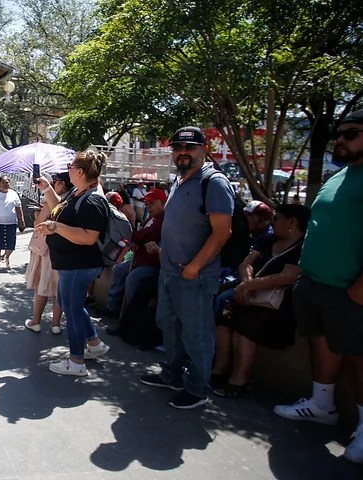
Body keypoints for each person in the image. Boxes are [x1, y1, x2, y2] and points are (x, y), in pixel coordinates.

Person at [272, 109, 363, 463]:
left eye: (350, 133)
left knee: (358, 358)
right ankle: (322, 405)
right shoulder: (338, 176)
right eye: (339, 134)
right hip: (315, 285)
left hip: (349, 290)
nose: (340, 139)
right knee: (321, 343)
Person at [139, 126, 234, 410]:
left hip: (195, 275)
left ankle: (198, 388)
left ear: (203, 150)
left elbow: (222, 232)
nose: (182, 152)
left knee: (196, 334)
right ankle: (172, 374)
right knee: (169, 325)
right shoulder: (180, 181)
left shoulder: (214, 182)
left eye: (189, 147)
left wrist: (194, 266)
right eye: (177, 147)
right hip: (170, 272)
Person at [213, 204, 309, 398]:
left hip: (277, 303)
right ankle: (219, 369)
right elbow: (246, 263)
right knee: (225, 314)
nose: (273, 222)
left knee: (244, 326)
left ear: (292, 222)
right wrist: (247, 283)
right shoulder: (268, 240)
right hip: (250, 294)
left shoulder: (303, 248)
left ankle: (239, 380)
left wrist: (250, 286)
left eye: (277, 218)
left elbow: (287, 277)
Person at [35, 150, 112, 377]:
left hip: (79, 265)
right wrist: (47, 189)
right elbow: (59, 208)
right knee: (74, 307)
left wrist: (56, 227)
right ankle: (95, 344)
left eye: (70, 167)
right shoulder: (79, 194)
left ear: (79, 171)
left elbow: (88, 236)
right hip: (71, 265)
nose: (67, 170)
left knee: (72, 310)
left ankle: (76, 361)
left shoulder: (93, 199)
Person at [100, 188, 167, 321]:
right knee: (118, 270)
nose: (148, 206)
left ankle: (130, 316)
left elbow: (140, 235)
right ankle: (114, 308)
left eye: (151, 203)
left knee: (133, 279)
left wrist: (136, 239)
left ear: (162, 203)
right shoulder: (151, 218)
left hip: (152, 264)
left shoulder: (162, 220)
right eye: (146, 203)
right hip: (140, 259)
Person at [24, 172, 71, 335]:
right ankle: (56, 324)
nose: (53, 184)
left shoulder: (50, 201)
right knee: (59, 287)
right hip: (64, 249)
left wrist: (37, 214)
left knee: (41, 285)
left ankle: (36, 321)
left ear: (62, 184)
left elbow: (38, 223)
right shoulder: (72, 200)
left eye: (55, 181)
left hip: (46, 249)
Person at [0, 175, 25, 269]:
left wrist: (21, 220)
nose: (5, 184)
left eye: (7, 182)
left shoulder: (13, 194)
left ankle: (6, 257)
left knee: (11, 244)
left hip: (11, 223)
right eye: (3, 182)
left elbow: (18, 208)